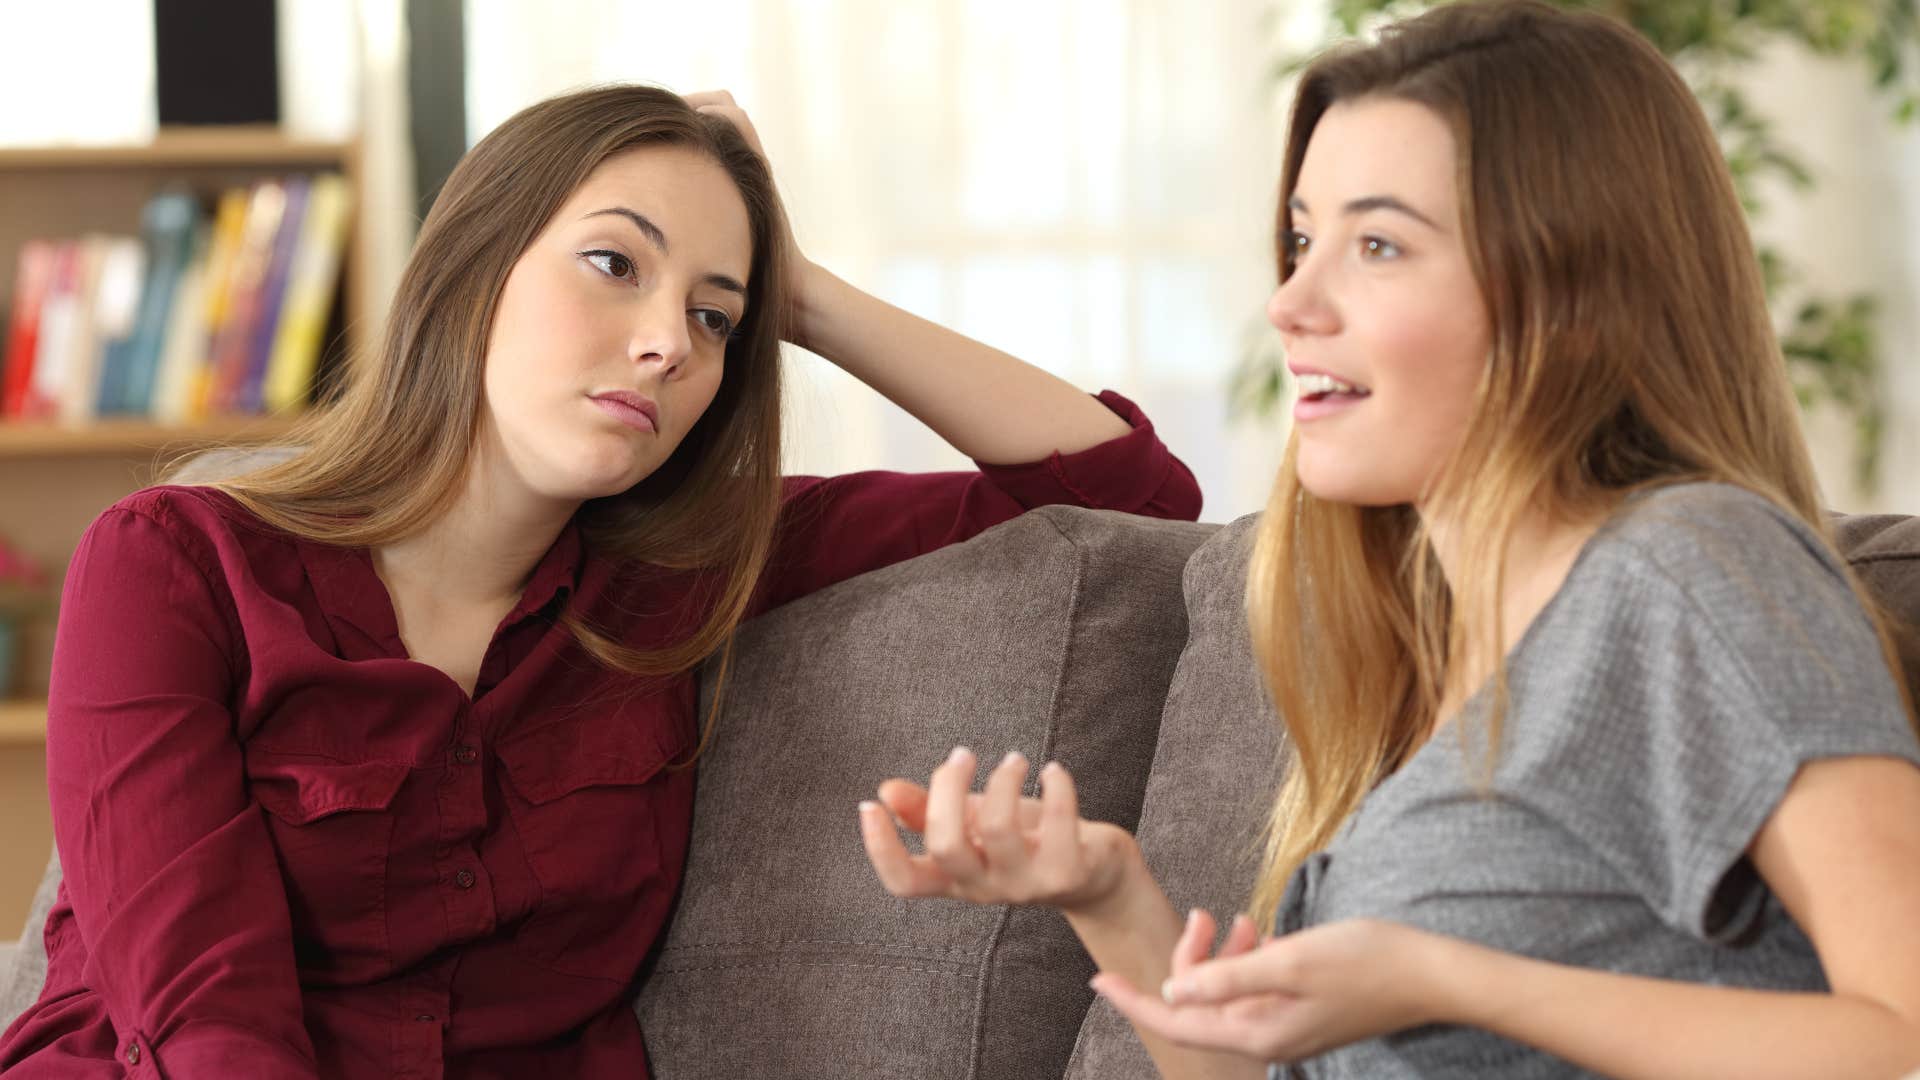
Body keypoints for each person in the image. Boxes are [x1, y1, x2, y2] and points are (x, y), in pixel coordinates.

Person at [0, 85, 1201, 1078]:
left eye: (715, 318)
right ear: (473, 267)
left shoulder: (681, 581)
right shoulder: (173, 561)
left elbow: (1128, 492)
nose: (670, 341)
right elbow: (208, 1020)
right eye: (614, 263)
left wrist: (801, 292)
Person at [858, 3, 1920, 1077]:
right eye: (1305, 239)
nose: (1290, 302)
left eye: (1378, 244)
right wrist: (1105, 896)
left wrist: (1442, 977)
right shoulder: (1447, 653)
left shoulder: (1691, 566)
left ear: (1571, 302)